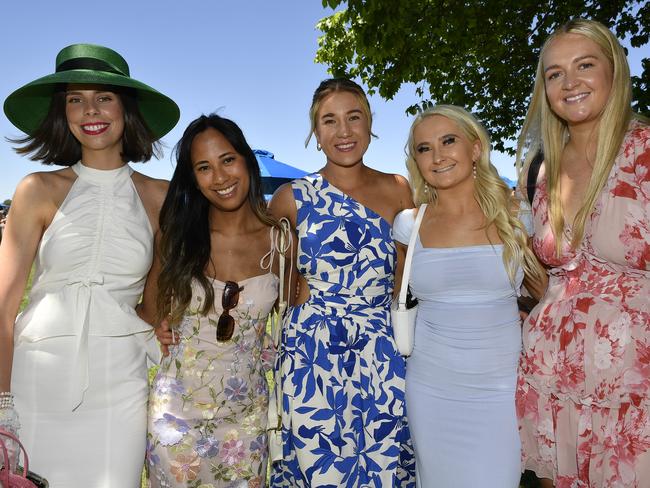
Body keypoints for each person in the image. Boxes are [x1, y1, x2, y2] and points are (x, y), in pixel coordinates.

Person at [0, 43, 179, 486]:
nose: (89, 110)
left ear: (126, 108)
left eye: (104, 97)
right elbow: (3, 309)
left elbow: (156, 301)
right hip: (35, 377)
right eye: (74, 100)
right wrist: (2, 403)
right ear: (63, 114)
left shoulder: (161, 196)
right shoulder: (36, 188)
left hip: (119, 381)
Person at [515, 18, 650, 488]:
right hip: (552, 382)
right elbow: (540, 275)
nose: (569, 82)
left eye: (584, 65)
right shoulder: (541, 168)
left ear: (615, 70)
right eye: (554, 74)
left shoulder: (644, 152)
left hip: (634, 388)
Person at [269, 78, 416, 487]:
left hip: (381, 348)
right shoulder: (291, 197)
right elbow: (276, 281)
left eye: (354, 118)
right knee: (319, 465)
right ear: (316, 133)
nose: (344, 131)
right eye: (329, 121)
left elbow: (406, 278)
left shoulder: (398, 188)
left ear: (370, 123)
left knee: (383, 460)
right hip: (311, 352)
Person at [393, 105, 546, 487]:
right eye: (424, 148)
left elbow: (547, 293)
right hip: (430, 387)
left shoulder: (517, 216)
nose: (438, 155)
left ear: (475, 148)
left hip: (500, 390)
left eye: (448, 141)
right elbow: (397, 297)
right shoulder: (409, 224)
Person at [138, 114, 291, 487]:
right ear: (192, 178)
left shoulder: (281, 241)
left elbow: (295, 317)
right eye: (204, 167)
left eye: (227, 160)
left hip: (247, 422)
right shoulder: (176, 236)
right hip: (175, 419)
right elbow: (148, 314)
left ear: (246, 161)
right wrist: (159, 328)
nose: (220, 178)